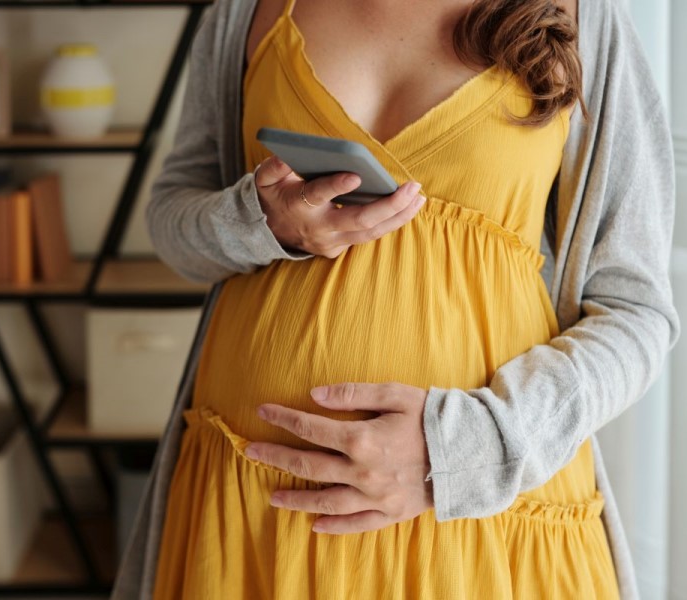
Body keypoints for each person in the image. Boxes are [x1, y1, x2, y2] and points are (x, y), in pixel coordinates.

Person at [112, 0, 679, 598]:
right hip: (253, 508)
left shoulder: (586, 17)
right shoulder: (242, 12)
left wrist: (463, 452)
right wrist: (263, 224)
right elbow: (174, 223)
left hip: (477, 520)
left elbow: (636, 311)